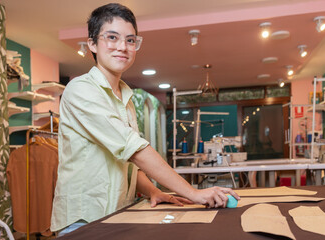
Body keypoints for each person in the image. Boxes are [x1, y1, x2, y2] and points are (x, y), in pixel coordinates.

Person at [51, 3, 240, 236]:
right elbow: (135, 150)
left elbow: (129, 163)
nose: (123, 47)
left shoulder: (126, 97)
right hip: (85, 219)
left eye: (130, 40)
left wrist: (153, 190)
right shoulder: (80, 90)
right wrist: (195, 193)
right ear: (92, 43)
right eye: (112, 37)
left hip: (118, 214)